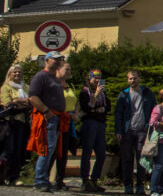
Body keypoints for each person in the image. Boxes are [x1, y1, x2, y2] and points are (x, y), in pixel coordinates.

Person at [27, 51, 68, 193]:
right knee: (46, 149)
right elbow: (32, 97)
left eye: (59, 59)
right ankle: (39, 180)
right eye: (55, 59)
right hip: (47, 118)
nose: (57, 62)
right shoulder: (41, 77)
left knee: (51, 150)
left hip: (56, 118)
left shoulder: (55, 78)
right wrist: (46, 111)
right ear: (47, 60)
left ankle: (44, 179)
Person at [115, 70, 155, 196]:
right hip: (127, 130)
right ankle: (128, 185)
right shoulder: (124, 94)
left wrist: (149, 126)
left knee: (141, 159)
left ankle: (140, 185)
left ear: (139, 79)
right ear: (128, 80)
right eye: (130, 79)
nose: (133, 81)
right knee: (127, 159)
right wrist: (118, 130)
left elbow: (154, 111)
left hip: (142, 130)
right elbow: (118, 114)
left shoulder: (147, 93)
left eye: (135, 78)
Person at [77, 70, 108, 193]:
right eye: (95, 78)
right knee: (87, 152)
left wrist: (101, 108)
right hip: (89, 123)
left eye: (99, 78)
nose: (97, 80)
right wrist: (95, 97)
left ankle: (94, 179)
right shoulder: (85, 92)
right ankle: (85, 180)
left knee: (101, 154)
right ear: (89, 79)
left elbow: (108, 106)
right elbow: (87, 107)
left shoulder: (103, 93)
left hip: (100, 123)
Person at [2, 63, 33, 187]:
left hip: (23, 122)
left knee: (20, 150)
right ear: (10, 74)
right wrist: (20, 102)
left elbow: (31, 102)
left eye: (20, 72)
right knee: (9, 150)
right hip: (10, 122)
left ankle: (14, 177)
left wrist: (17, 102)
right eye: (15, 72)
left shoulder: (26, 87)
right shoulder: (6, 88)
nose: (18, 74)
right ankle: (5, 176)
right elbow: (8, 104)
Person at [53, 62, 79, 190]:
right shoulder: (54, 84)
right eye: (66, 69)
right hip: (57, 120)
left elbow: (75, 102)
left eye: (70, 70)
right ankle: (45, 178)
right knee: (54, 150)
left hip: (68, 122)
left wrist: (75, 113)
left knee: (63, 152)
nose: (68, 72)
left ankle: (59, 179)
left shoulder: (70, 86)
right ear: (58, 69)